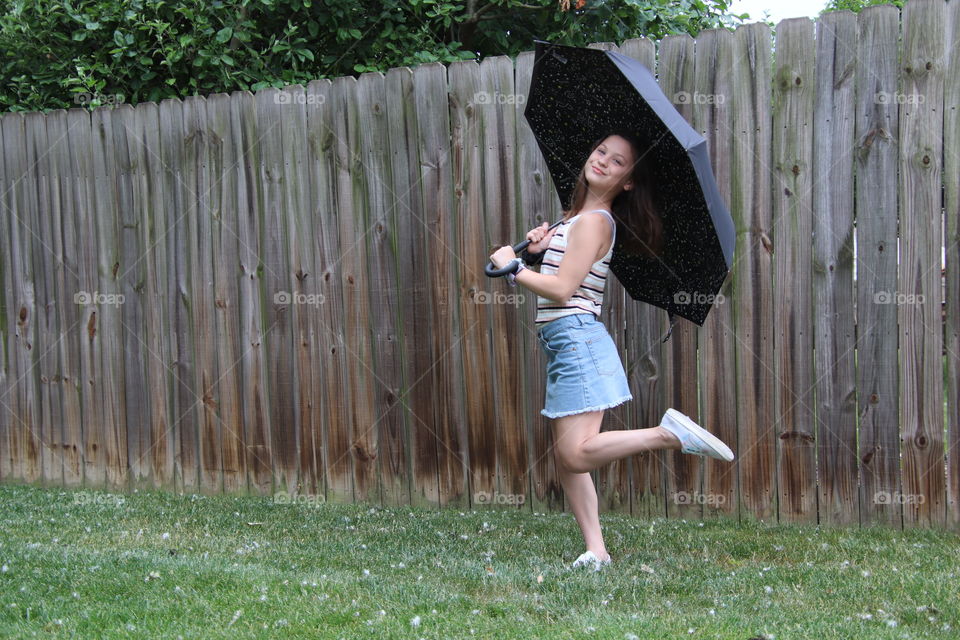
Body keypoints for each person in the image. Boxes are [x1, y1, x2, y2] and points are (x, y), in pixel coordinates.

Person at [488, 132, 735, 571]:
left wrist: (515, 268)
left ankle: (668, 435)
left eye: (617, 162)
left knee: (573, 453)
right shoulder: (574, 219)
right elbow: (568, 277)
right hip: (566, 342)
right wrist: (541, 251)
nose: (602, 161)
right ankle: (597, 551)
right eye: (600, 150)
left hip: (577, 340)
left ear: (627, 182)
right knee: (570, 459)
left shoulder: (595, 221)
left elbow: (564, 290)